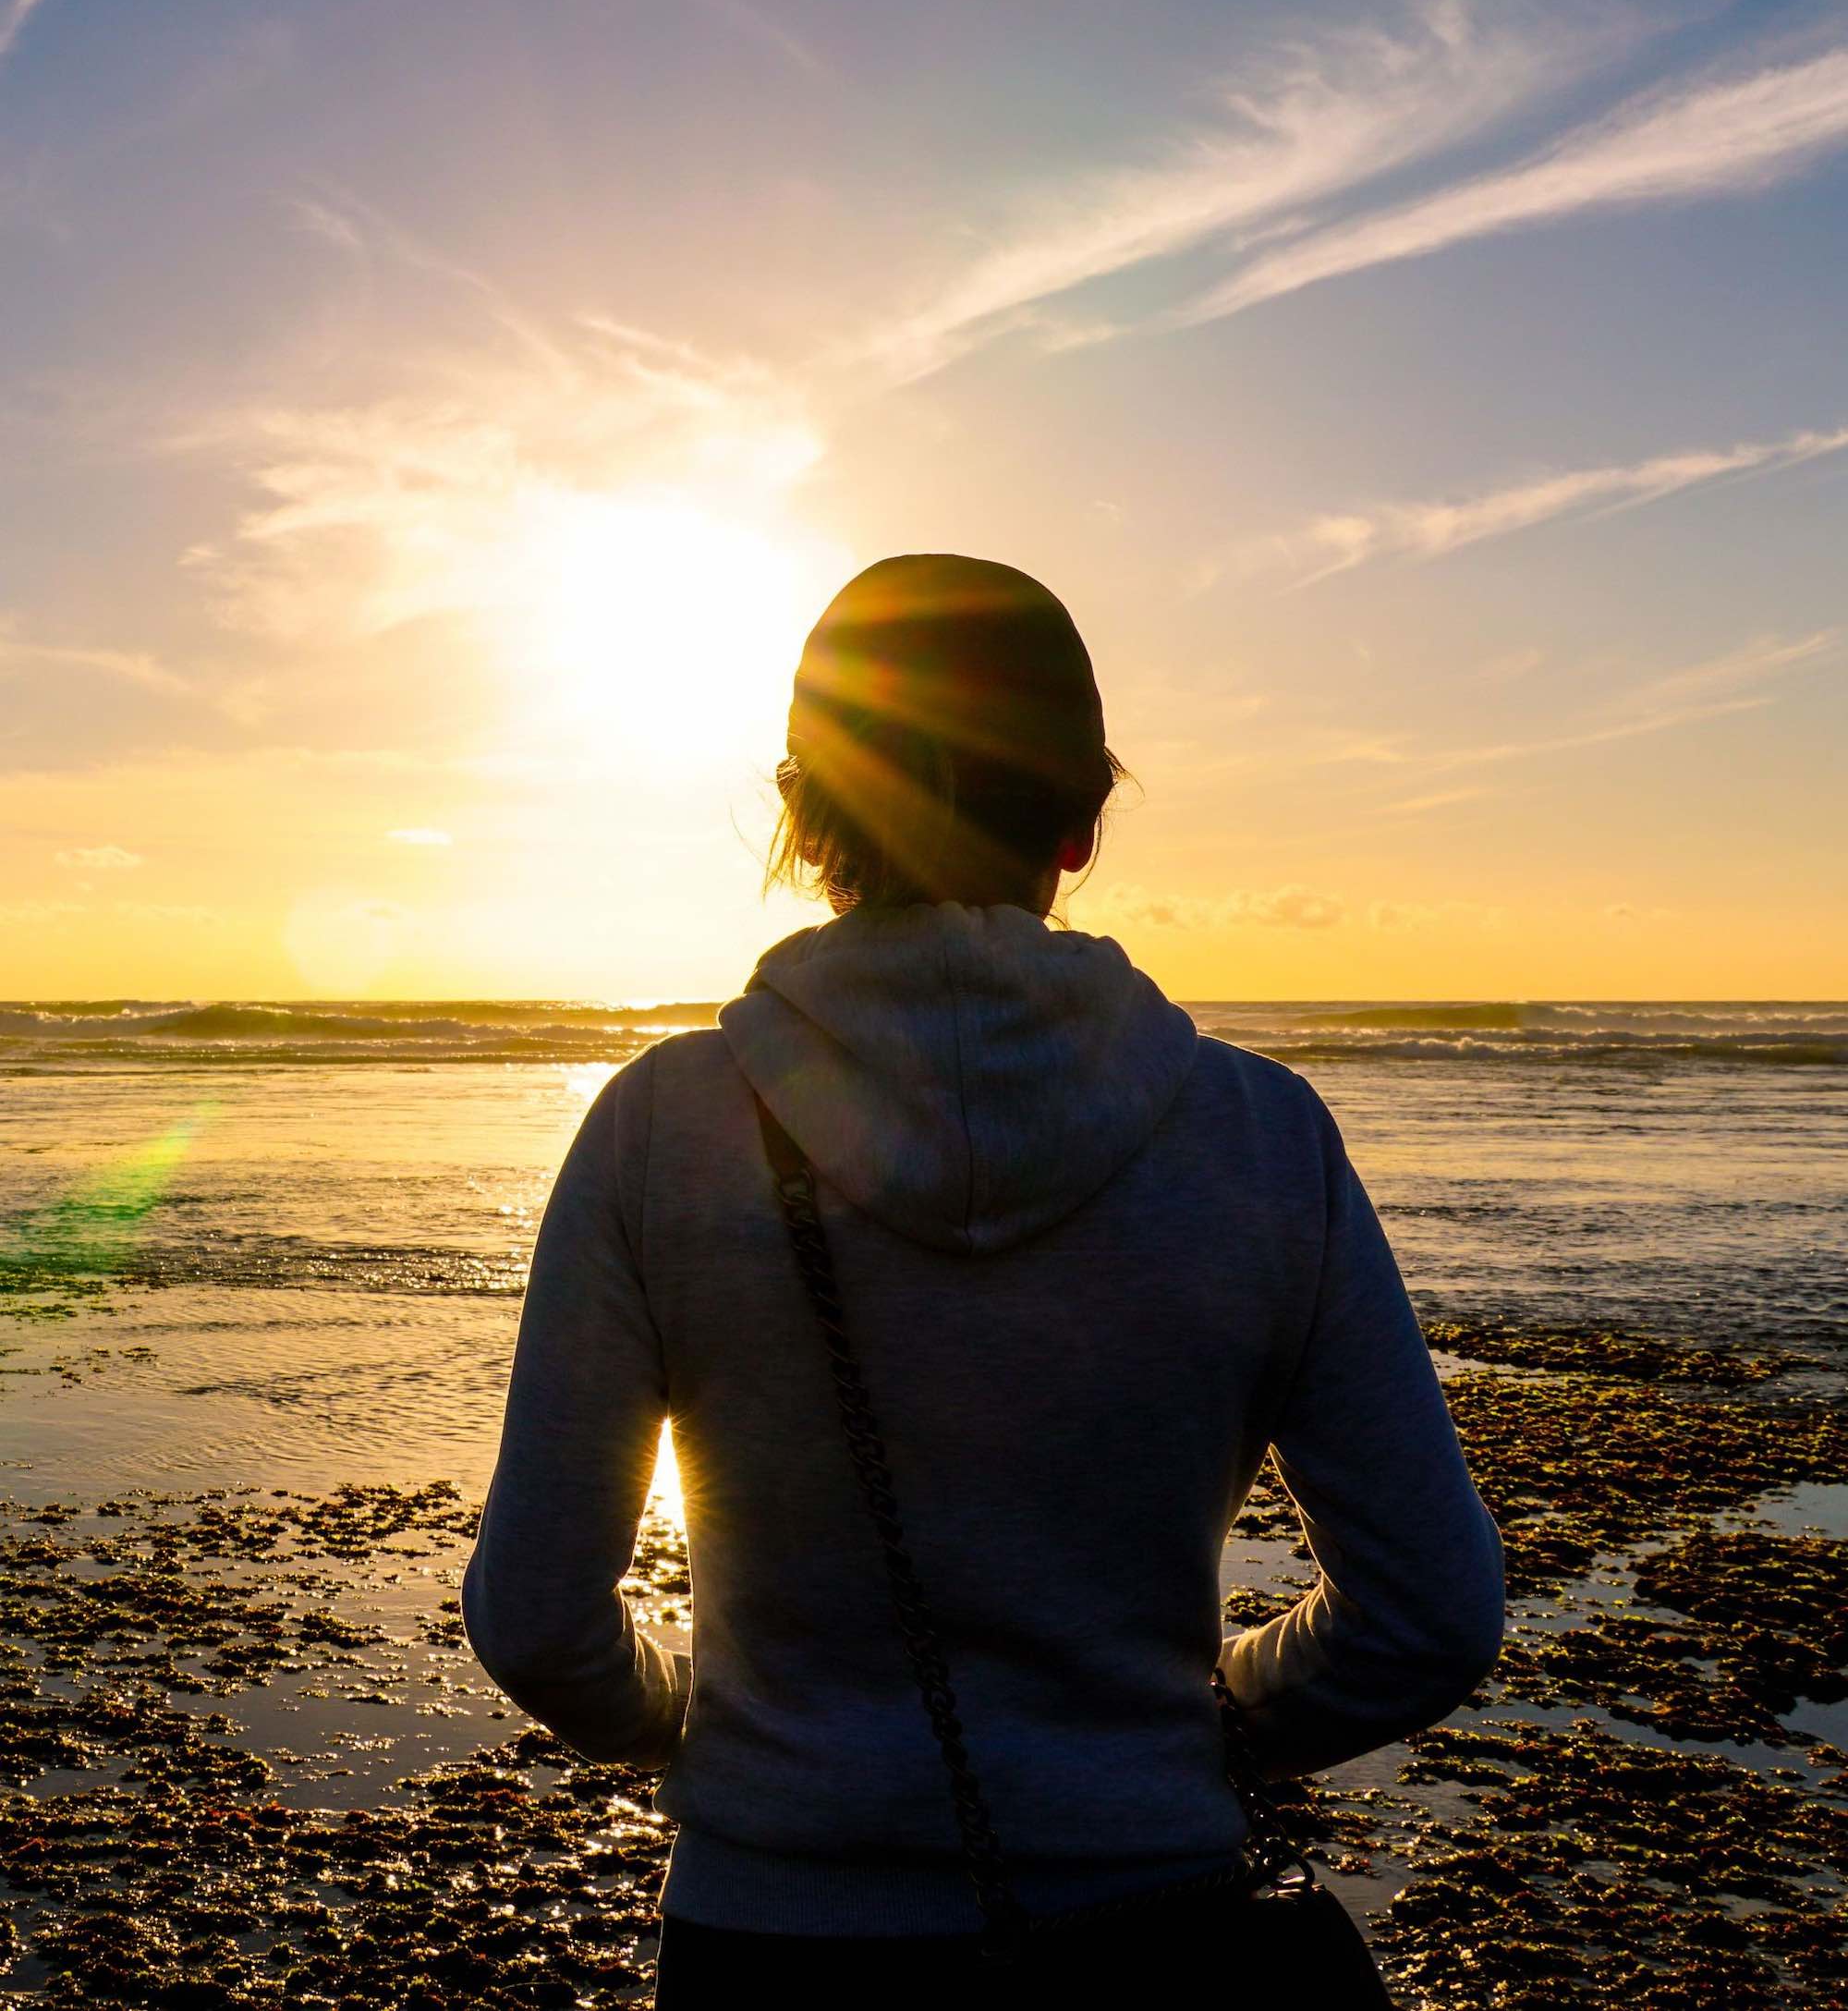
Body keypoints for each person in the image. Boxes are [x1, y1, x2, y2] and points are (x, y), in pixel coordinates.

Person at [463, 554, 1504, 2007]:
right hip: (1151, 1926)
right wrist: (1223, 1718)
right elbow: (1433, 1614)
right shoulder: (1261, 1139)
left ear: (801, 809)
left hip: (773, 1937)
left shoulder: (662, 1128)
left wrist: (696, 1722)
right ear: (1081, 820)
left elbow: (535, 1617)